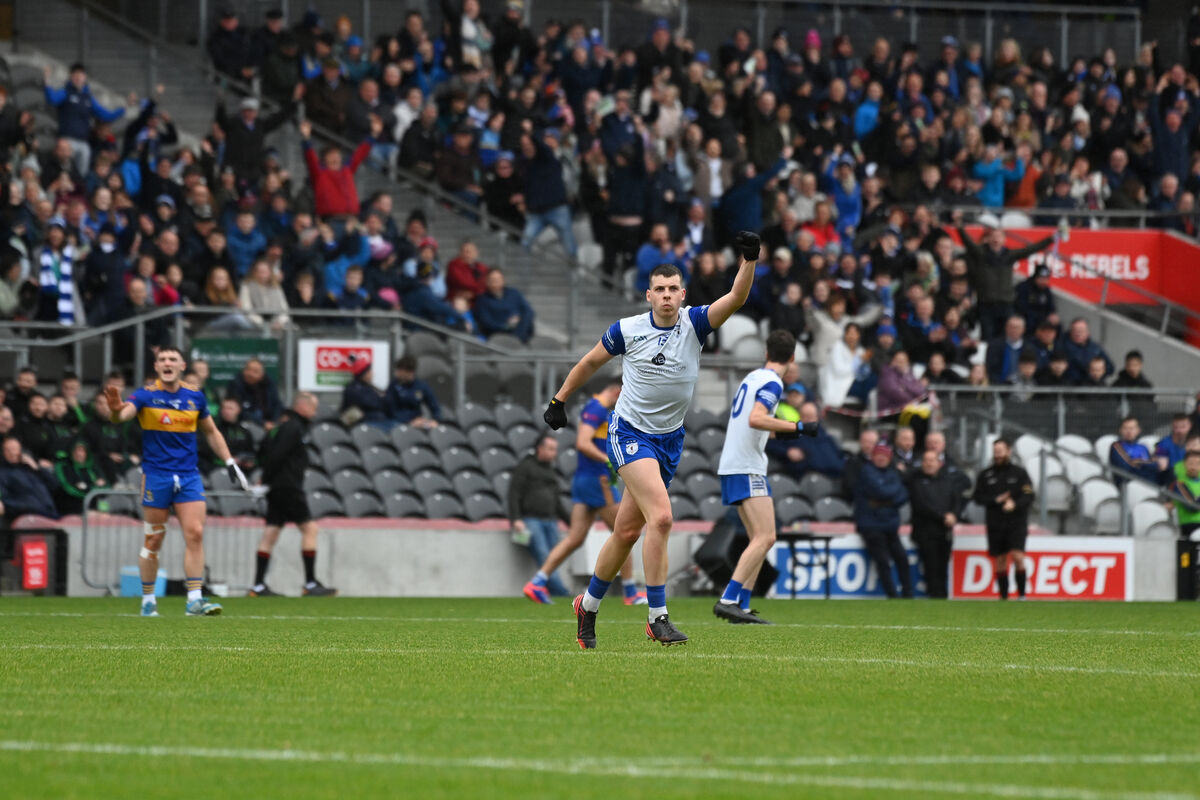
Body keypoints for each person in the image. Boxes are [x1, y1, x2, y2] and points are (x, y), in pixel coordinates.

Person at [544, 230, 763, 649]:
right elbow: (590, 361)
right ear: (648, 295)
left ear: (683, 294)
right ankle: (657, 616)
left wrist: (749, 259)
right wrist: (560, 399)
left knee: (626, 533)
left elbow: (736, 297)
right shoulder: (627, 330)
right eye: (658, 290)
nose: (665, 296)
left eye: (672, 290)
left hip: (668, 440)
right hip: (628, 433)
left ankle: (587, 606)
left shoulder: (696, 323)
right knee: (661, 517)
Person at [105, 347, 249, 616]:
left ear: (182, 365)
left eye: (172, 359)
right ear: (157, 366)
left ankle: (194, 599)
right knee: (153, 541)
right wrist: (115, 411)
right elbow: (122, 415)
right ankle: (148, 600)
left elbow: (211, 431)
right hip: (156, 476)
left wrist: (230, 462)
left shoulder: (195, 397)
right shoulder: (146, 395)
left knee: (195, 533)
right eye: (162, 360)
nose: (167, 363)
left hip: (188, 476)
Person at [714, 330, 817, 624]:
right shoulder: (773, 383)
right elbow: (756, 417)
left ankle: (742, 607)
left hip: (736, 463)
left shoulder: (753, 377)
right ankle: (728, 600)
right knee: (766, 537)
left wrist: (782, 432)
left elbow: (758, 425)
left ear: (765, 353)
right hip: (747, 466)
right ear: (793, 357)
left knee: (757, 537)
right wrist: (797, 427)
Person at [522, 380, 645, 606]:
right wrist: (609, 460)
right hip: (597, 481)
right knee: (625, 533)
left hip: (584, 480)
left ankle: (537, 582)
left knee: (575, 538)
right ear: (619, 389)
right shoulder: (597, 408)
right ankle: (630, 592)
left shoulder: (597, 408)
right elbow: (582, 443)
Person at [251, 392, 337, 597]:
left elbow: (264, 450)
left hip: (277, 487)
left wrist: (266, 480)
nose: (315, 411)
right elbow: (276, 455)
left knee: (270, 533)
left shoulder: (283, 426)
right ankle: (309, 583)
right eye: (313, 406)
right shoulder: (293, 427)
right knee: (310, 529)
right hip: (288, 487)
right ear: (302, 406)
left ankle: (258, 585)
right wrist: (267, 478)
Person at [955, 217, 1055, 340]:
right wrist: (959, 226)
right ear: (989, 238)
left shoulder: (1009, 255)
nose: (996, 239)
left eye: (999, 236)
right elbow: (968, 243)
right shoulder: (982, 253)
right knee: (987, 336)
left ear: (1004, 239)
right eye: (993, 236)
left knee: (1008, 336)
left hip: (1006, 304)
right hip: (986, 304)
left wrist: (1051, 239)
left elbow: (1030, 249)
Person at [972, 437, 1034, 600]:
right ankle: (1004, 597)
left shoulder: (1019, 473)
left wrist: (1014, 504)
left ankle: (1021, 595)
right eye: (995, 452)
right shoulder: (985, 475)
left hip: (1016, 522)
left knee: (1017, 556)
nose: (998, 455)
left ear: (1009, 451)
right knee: (999, 560)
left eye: (1000, 451)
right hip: (995, 523)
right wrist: (995, 500)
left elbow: (1029, 495)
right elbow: (977, 497)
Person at [508, 434, 570, 595]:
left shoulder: (551, 470)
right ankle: (560, 592)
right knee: (544, 556)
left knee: (554, 558)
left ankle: (547, 590)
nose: (554, 453)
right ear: (539, 448)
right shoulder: (525, 467)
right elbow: (514, 494)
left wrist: (571, 522)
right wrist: (516, 519)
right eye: (550, 449)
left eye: (555, 449)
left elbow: (556, 500)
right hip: (531, 520)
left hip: (550, 520)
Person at [853, 443, 913, 598]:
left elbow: (903, 495)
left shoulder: (892, 473)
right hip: (871, 524)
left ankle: (908, 593)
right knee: (883, 561)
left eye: (884, 456)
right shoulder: (866, 471)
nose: (881, 459)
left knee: (902, 558)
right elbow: (881, 491)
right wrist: (893, 493)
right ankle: (892, 595)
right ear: (873, 457)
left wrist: (887, 498)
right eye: (878, 455)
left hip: (890, 524)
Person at [906, 449, 961, 598]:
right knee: (931, 567)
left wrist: (954, 515)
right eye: (926, 460)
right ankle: (935, 597)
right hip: (926, 531)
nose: (929, 464)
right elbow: (921, 505)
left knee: (943, 567)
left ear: (939, 463)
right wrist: (943, 516)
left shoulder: (948, 481)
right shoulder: (916, 481)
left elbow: (956, 501)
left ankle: (943, 597)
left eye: (932, 460)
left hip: (945, 531)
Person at [0, 435, 59, 520]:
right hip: (27, 517)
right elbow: (5, 499)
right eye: (8, 450)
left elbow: (54, 485)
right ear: (3, 453)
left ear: (21, 450)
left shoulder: (31, 467)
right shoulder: (2, 472)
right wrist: (29, 506)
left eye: (14, 449)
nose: (12, 452)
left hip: (50, 513)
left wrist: (37, 468)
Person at [474, 268, 535, 342]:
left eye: (498, 279)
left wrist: (519, 324)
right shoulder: (482, 300)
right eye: (493, 280)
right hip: (499, 336)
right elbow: (487, 323)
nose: (496, 282)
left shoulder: (514, 293)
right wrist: (507, 326)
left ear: (503, 280)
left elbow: (529, 311)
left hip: (521, 333)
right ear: (487, 282)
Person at [383, 356, 442, 428]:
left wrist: (435, 420)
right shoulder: (393, 386)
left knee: (433, 427)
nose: (397, 373)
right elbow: (391, 411)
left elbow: (434, 405)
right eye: (398, 370)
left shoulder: (421, 386)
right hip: (397, 422)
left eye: (410, 371)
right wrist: (410, 422)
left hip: (418, 421)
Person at [226, 358, 283, 428]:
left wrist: (274, 422)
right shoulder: (236, 384)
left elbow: (277, 404)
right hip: (246, 423)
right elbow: (240, 411)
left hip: (269, 422)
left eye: (255, 371)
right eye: (248, 369)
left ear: (262, 374)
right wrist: (262, 423)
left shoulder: (269, 383)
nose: (250, 374)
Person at [1109, 416, 1161, 486]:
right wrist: (1145, 464)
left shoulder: (1143, 447)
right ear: (1120, 430)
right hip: (1128, 484)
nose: (1129, 431)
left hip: (1149, 483)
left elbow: (1154, 466)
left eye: (1132, 428)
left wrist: (1137, 462)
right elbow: (1125, 468)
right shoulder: (1117, 446)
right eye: (1126, 428)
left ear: (1138, 430)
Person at [340, 359, 388, 427]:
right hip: (361, 423)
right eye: (369, 371)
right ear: (363, 374)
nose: (372, 374)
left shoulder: (368, 386)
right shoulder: (352, 389)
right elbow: (370, 404)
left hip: (374, 419)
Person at [1167, 450, 1200, 539]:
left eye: (1198, 463)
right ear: (1185, 464)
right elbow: (1191, 506)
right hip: (1189, 526)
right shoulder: (1179, 484)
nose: (1194, 466)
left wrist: (1196, 498)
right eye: (1191, 463)